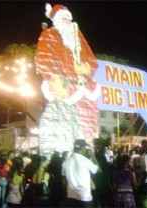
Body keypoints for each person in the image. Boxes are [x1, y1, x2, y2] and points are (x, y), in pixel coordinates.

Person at [35, 3, 100, 155]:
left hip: (84, 85)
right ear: (55, 19)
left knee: (86, 125)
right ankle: (64, 151)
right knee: (64, 123)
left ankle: (85, 149)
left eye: (68, 17)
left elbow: (92, 60)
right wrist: (56, 78)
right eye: (62, 17)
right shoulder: (48, 34)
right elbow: (42, 60)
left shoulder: (78, 36)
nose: (66, 21)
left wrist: (87, 69)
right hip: (63, 86)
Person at [62, 139, 101, 208]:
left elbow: (64, 180)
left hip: (71, 196)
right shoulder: (86, 161)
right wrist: (92, 155)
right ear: (83, 148)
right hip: (84, 197)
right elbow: (99, 170)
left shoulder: (65, 162)